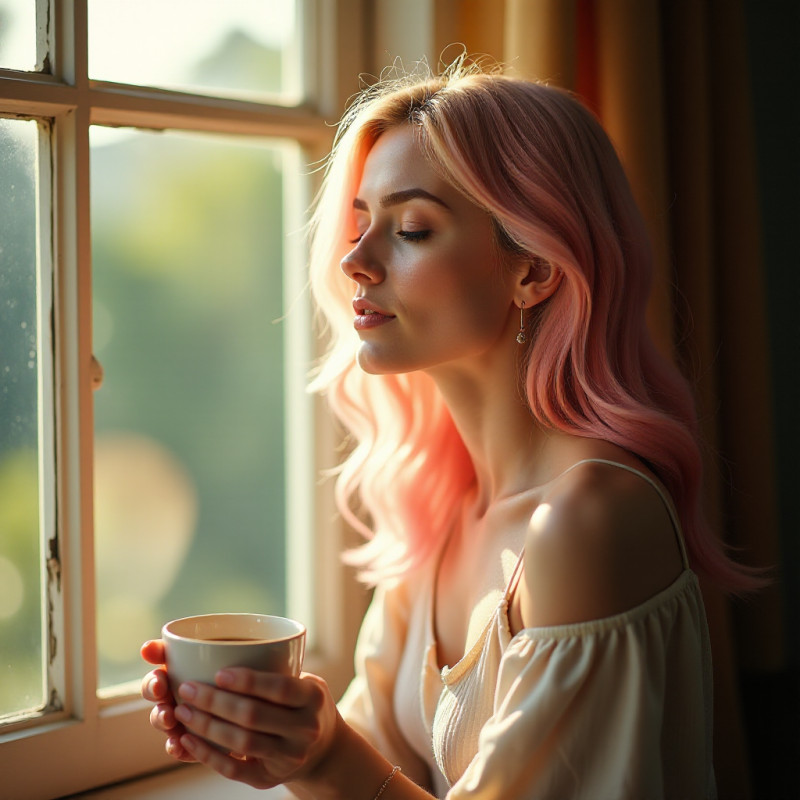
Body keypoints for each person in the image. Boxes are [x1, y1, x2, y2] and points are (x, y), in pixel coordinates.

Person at [142, 59, 757, 799]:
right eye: (360, 223)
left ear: (534, 270)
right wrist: (275, 741)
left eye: (410, 228)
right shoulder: (441, 505)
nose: (354, 261)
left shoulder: (589, 524)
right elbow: (376, 758)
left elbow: (355, 766)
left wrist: (325, 757)